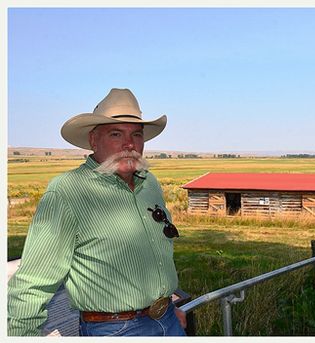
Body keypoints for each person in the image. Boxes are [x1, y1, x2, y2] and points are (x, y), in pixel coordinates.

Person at [8, 88, 187, 336]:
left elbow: (156, 250)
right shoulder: (68, 191)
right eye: (116, 134)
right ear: (93, 140)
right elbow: (32, 283)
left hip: (167, 320)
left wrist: (166, 306)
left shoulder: (150, 184)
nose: (129, 144)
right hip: (114, 329)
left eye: (137, 134)